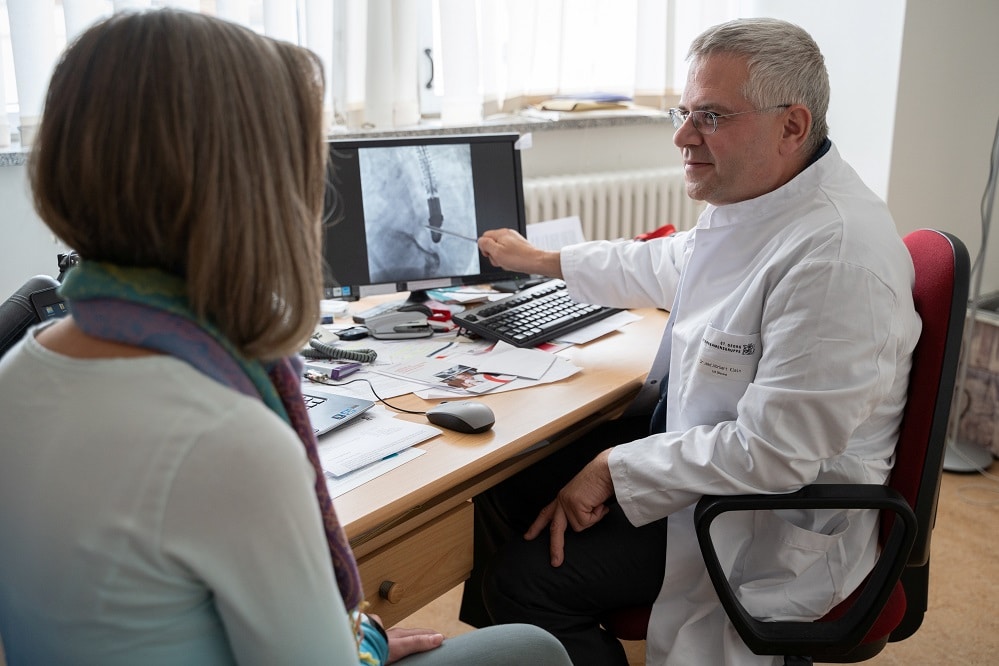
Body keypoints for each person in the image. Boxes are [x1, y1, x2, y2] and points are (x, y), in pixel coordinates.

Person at [0, 10, 572, 666]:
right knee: (531, 650)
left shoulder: (17, 373)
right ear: (257, 195)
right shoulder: (229, 438)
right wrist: (363, 641)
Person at [461, 17, 922, 666]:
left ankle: (536, 625)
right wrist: (541, 261)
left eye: (710, 117)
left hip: (756, 515)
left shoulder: (837, 258)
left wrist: (613, 468)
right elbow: (666, 261)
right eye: (683, 113)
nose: (682, 137)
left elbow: (775, 454)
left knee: (523, 584)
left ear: (791, 126)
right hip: (705, 460)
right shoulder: (764, 199)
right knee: (507, 481)